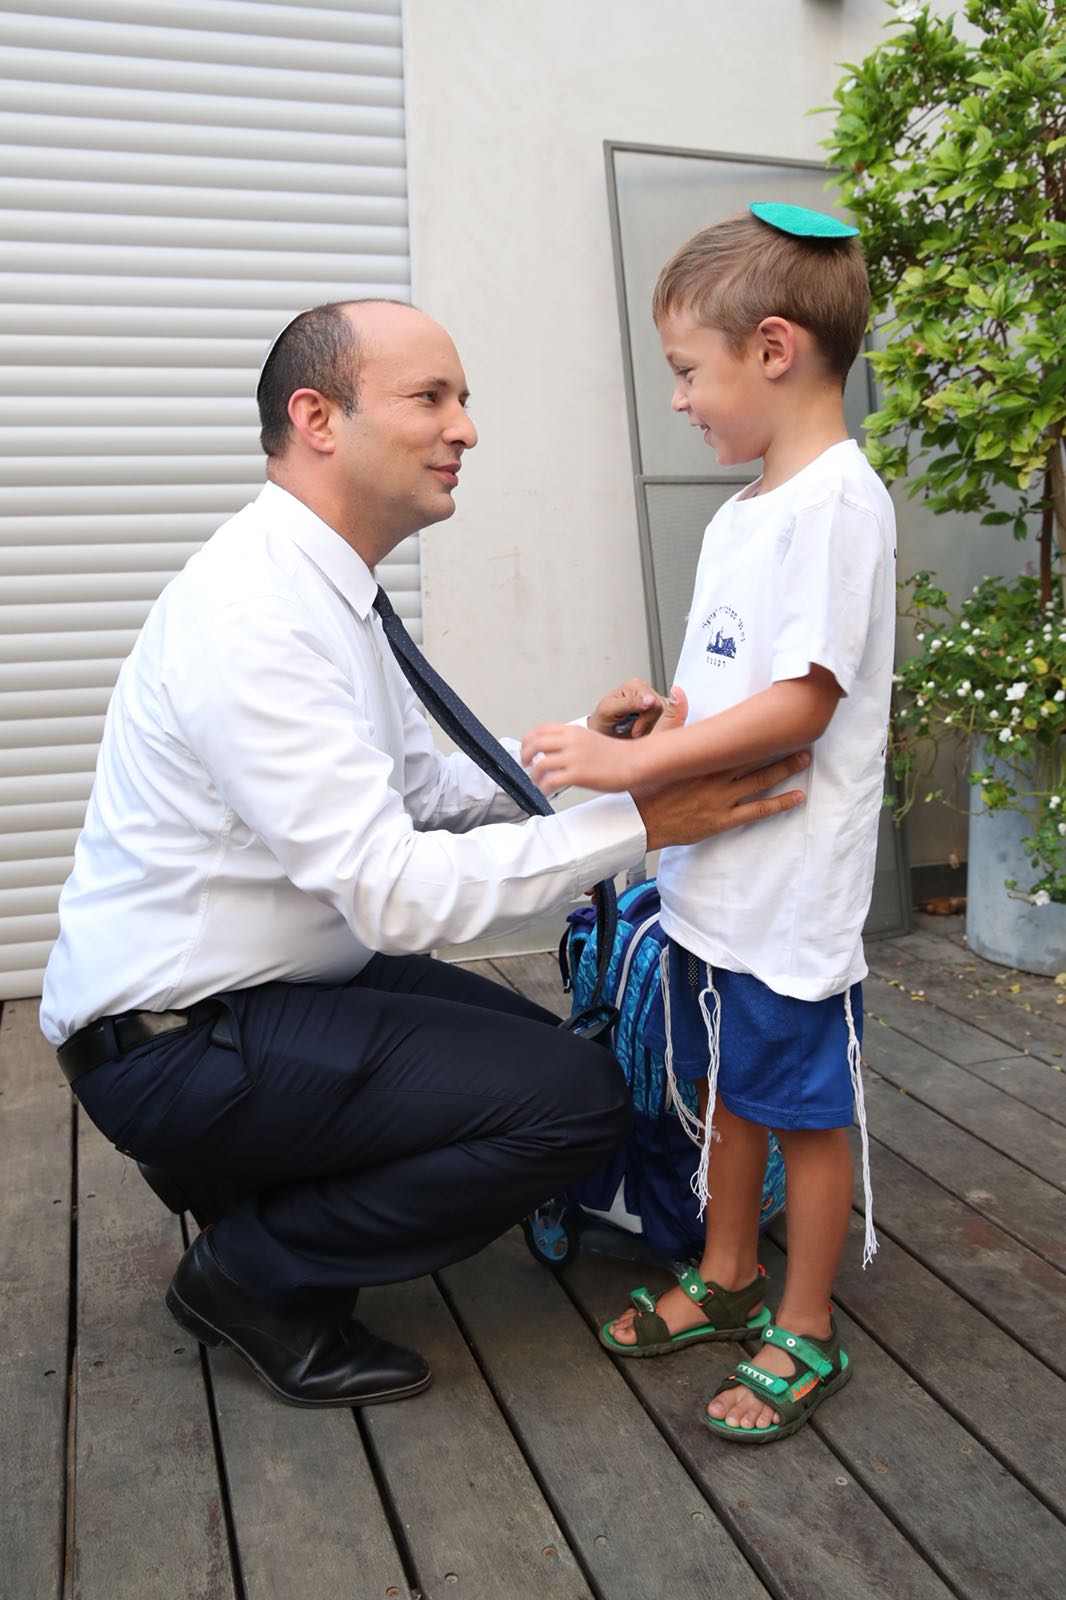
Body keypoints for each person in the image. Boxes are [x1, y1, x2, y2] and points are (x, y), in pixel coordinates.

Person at [39, 297, 811, 1411]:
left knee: (530, 1054)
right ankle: (249, 1274)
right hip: (178, 1041)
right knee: (572, 1101)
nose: (466, 428)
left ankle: (237, 1178)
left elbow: (426, 788)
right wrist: (645, 822)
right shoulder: (253, 614)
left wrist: (586, 757)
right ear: (317, 416)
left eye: (464, 399)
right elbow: (396, 895)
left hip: (270, 988)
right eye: (430, 398)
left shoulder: (324, 588)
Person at [521, 207, 896, 1442]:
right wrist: (655, 735)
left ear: (775, 348)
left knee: (802, 1105)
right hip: (715, 882)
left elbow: (803, 700)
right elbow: (734, 688)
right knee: (731, 1085)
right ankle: (728, 1272)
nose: (678, 399)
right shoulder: (745, 515)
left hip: (789, 889)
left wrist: (629, 777)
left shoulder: (838, 501)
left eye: (688, 370)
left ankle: (807, 1323)